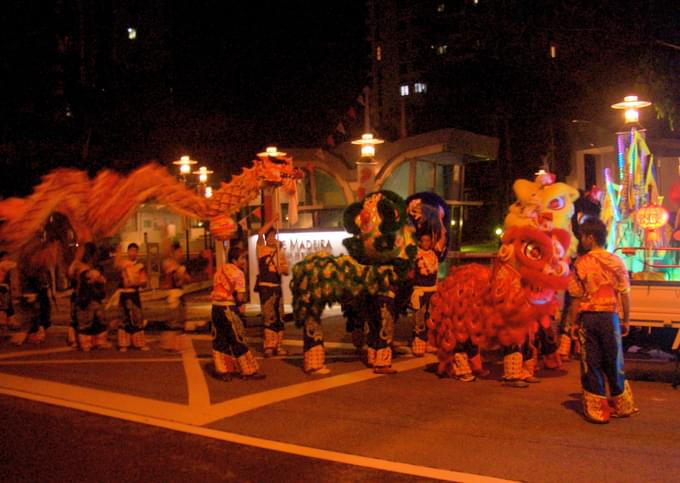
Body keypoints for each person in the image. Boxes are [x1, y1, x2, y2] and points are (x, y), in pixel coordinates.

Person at [568, 217, 638, 423]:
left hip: (589, 319)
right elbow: (624, 293)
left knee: (592, 362)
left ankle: (598, 410)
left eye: (582, 236)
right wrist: (626, 319)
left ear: (591, 237)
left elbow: (575, 297)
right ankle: (623, 405)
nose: (581, 240)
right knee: (614, 360)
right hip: (611, 318)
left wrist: (573, 323)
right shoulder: (617, 261)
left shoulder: (580, 263)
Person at [210, 245, 265, 381]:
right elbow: (240, 297)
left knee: (220, 340)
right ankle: (249, 370)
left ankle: (223, 371)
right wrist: (242, 303)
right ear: (234, 259)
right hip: (228, 309)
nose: (244, 261)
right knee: (238, 339)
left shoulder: (219, 271)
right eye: (242, 258)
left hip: (215, 308)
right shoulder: (238, 273)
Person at [256, 215, 289, 357]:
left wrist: (283, 269)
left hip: (277, 286)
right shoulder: (261, 249)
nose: (271, 238)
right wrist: (273, 220)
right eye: (269, 236)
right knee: (268, 316)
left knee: (280, 316)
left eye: (273, 236)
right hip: (265, 287)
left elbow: (286, 270)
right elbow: (259, 233)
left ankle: (279, 345)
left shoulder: (280, 252)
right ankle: (269, 346)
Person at [73, 242, 111, 351]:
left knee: (95, 321)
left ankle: (95, 343)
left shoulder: (78, 266)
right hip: (88, 299)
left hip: (88, 298)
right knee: (88, 322)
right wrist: (98, 276)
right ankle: (88, 343)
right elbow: (100, 279)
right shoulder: (84, 268)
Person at [116, 242, 149, 351]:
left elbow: (144, 282)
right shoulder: (123, 264)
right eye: (131, 251)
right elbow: (117, 270)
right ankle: (123, 344)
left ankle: (139, 343)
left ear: (137, 253)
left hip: (134, 294)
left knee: (137, 318)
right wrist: (118, 253)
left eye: (135, 251)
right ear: (128, 252)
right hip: (124, 295)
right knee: (124, 318)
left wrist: (135, 283)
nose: (133, 253)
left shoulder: (140, 266)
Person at [410, 232, 438, 357]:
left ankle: (429, 342)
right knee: (419, 318)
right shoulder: (415, 256)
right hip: (420, 290)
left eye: (428, 240)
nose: (426, 243)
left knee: (430, 318)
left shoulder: (434, 255)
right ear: (420, 242)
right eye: (424, 240)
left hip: (432, 290)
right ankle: (418, 343)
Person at [160, 242, 191, 351]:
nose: (181, 254)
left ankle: (176, 344)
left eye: (181, 251)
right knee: (174, 321)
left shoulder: (179, 266)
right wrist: (179, 271)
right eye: (179, 251)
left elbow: (187, 279)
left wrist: (182, 273)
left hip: (180, 293)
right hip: (173, 294)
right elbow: (174, 276)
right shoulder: (169, 264)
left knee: (181, 319)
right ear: (174, 252)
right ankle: (170, 344)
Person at [0, 251, 17, 331]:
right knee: (4, 306)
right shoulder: (3, 266)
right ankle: (4, 324)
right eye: (5, 257)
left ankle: (8, 323)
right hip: (2, 289)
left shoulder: (5, 267)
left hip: (6, 289)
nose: (7, 259)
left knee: (8, 306)